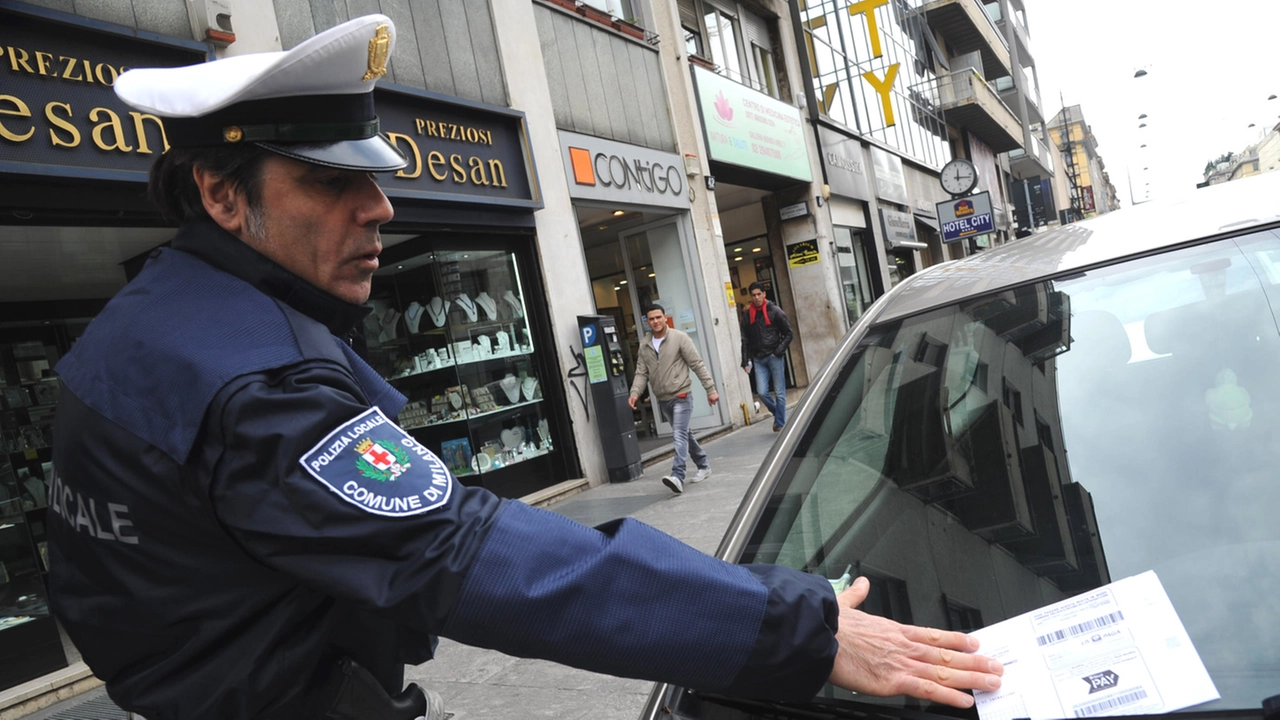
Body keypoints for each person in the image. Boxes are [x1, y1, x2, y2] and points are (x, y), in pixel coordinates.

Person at [46, 15, 1002, 720]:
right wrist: (803, 629)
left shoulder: (137, 334)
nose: (380, 206)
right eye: (333, 179)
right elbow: (477, 558)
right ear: (221, 193)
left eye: (374, 174)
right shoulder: (255, 386)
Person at [627, 303, 719, 494]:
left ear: (665, 317)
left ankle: (678, 475)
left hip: (682, 395)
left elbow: (696, 364)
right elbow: (641, 373)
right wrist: (635, 393)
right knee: (685, 434)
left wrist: (710, 389)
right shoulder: (645, 345)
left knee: (679, 434)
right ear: (646, 321)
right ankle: (703, 465)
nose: (655, 321)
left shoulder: (679, 338)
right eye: (651, 319)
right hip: (663, 399)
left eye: (658, 317)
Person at [741, 281, 794, 431]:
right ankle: (779, 415)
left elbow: (789, 334)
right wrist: (745, 361)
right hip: (758, 358)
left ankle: (781, 425)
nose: (756, 297)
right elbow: (745, 339)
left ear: (764, 294)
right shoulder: (747, 315)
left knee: (779, 392)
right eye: (753, 295)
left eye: (759, 294)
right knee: (762, 392)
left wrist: (777, 351)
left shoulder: (775, 311)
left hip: (774, 356)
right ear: (751, 297)